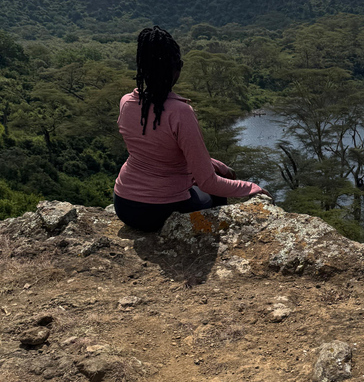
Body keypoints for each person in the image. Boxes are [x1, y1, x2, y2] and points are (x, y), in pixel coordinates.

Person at [113, 26, 269, 231]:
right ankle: (211, 240)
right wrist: (252, 188)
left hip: (124, 204)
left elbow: (157, 150)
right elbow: (209, 184)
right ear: (178, 68)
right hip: (159, 211)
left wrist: (214, 164)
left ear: (142, 68)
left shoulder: (127, 102)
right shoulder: (180, 112)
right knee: (216, 194)